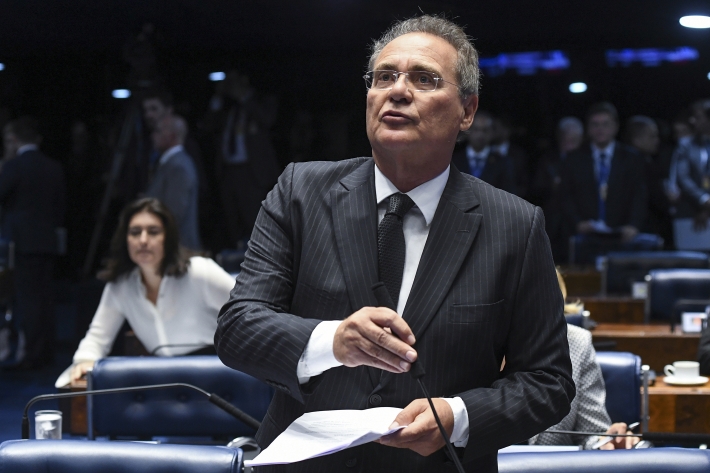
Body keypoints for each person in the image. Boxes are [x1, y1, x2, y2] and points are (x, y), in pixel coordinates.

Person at [215, 15, 574, 472]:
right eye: (385, 76)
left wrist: (458, 416)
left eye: (424, 79)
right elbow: (238, 328)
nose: (397, 91)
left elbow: (548, 382)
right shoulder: (299, 191)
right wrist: (331, 340)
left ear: (467, 111)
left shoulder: (515, 225)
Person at [55, 197, 234, 388]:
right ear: (126, 239)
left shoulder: (200, 271)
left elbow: (252, 308)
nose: (143, 240)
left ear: (168, 237)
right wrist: (84, 361)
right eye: (135, 232)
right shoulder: (121, 285)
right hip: (161, 380)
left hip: (217, 373)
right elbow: (97, 338)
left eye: (153, 232)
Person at [0, 117, 66, 370]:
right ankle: (45, 352)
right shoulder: (54, 166)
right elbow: (61, 206)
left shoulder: (14, 166)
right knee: (46, 298)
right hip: (47, 241)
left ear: (14, 139)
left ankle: (31, 355)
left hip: (22, 243)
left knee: (28, 300)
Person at [204, 69, 282, 246]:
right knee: (232, 221)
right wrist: (218, 97)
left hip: (253, 173)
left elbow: (268, 120)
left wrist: (245, 97)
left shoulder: (262, 100)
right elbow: (209, 126)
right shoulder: (227, 106)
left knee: (255, 221)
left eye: (235, 81)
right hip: (228, 172)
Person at [560, 102, 648, 243]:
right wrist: (577, 222)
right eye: (595, 124)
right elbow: (565, 195)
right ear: (588, 128)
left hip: (623, 233)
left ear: (615, 127)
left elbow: (639, 194)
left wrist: (633, 225)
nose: (600, 129)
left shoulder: (632, 158)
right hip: (585, 233)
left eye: (605, 124)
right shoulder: (573, 159)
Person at [529, 117, 584, 262]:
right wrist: (552, 186)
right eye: (568, 140)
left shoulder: (585, 163)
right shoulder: (547, 160)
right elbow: (536, 189)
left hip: (576, 223)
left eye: (575, 141)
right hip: (551, 223)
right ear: (560, 138)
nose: (571, 145)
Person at [145, 115, 201, 249]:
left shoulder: (178, 166)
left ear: (172, 135)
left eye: (158, 131)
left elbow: (173, 213)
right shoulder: (169, 164)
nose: (153, 136)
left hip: (176, 250)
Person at [451, 110, 517, 194]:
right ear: (468, 131)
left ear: (492, 133)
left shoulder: (502, 162)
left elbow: (509, 194)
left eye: (485, 130)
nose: (480, 135)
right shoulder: (454, 161)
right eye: (476, 129)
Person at [675, 99, 710, 230]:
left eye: (698, 117)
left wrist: (708, 211)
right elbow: (683, 177)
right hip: (691, 209)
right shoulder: (686, 144)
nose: (692, 121)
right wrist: (704, 199)